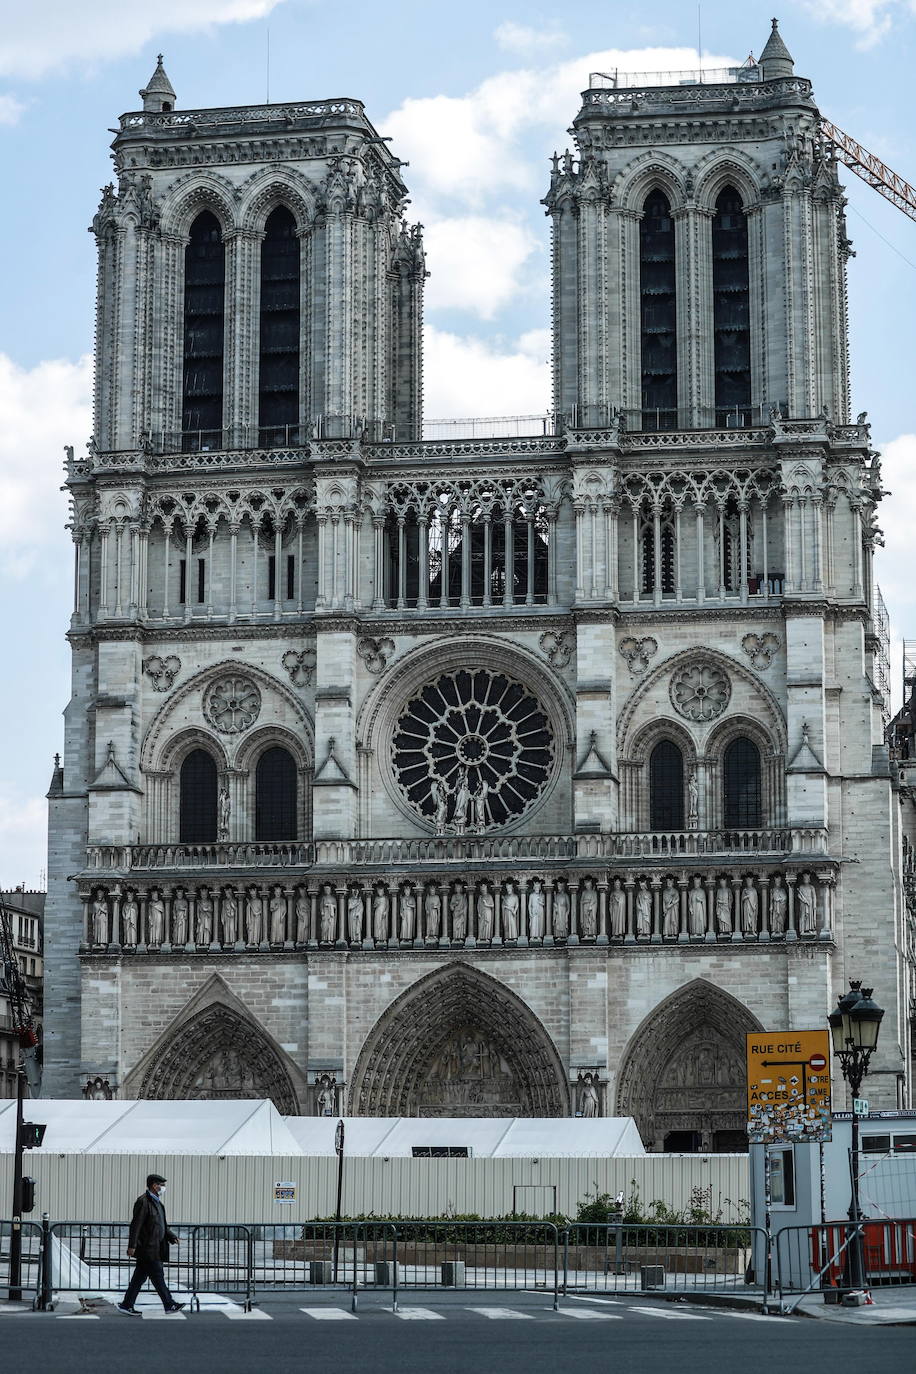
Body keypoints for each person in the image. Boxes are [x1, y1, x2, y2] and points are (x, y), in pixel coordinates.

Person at [117, 1173, 183, 1315]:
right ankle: (169, 1304)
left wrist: (171, 1236)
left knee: (139, 1278)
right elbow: (136, 1225)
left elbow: (162, 1225)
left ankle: (126, 1304)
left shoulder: (158, 1203)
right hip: (148, 1248)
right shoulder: (143, 1202)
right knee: (158, 1277)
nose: (163, 1188)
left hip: (156, 1247)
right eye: (162, 1185)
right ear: (154, 1185)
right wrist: (132, 1246)